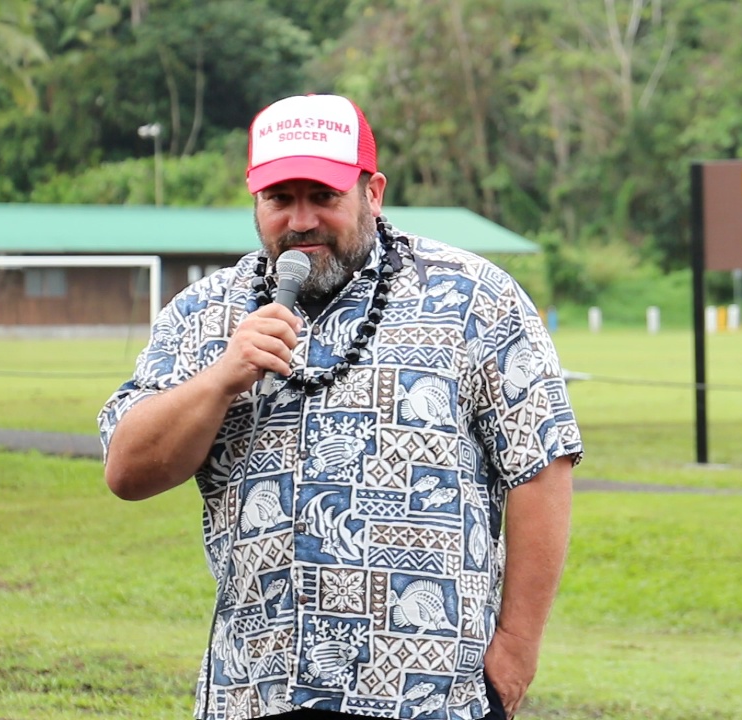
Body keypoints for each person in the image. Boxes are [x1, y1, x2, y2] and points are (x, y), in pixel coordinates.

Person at [98, 93, 582, 720]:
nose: (300, 221)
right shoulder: (205, 313)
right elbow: (126, 472)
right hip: (254, 691)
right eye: (279, 199)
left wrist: (515, 651)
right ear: (255, 201)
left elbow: (541, 467)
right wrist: (221, 379)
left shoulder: (474, 299)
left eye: (323, 197)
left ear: (372, 193)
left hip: (429, 696)